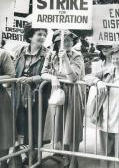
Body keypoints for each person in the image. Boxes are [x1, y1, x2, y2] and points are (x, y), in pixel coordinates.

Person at [41, 30, 85, 168]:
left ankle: (73, 160)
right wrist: (53, 77)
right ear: (56, 42)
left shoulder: (77, 56)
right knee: (59, 126)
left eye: (69, 40)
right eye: (64, 40)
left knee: (71, 127)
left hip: (72, 94)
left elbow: (73, 78)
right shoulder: (51, 54)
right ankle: (64, 157)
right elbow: (43, 73)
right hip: (57, 93)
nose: (67, 42)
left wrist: (65, 60)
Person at [11, 23, 48, 164]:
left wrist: (31, 79)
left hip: (38, 96)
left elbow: (48, 74)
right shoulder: (20, 51)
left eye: (44, 34)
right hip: (19, 95)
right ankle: (19, 157)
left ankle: (34, 159)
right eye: (39, 34)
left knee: (35, 128)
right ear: (30, 35)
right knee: (19, 126)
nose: (42, 37)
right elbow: (13, 69)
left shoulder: (47, 54)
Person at [0, 44, 15, 168]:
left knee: (3, 132)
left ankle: (3, 163)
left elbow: (11, 75)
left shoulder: (2, 54)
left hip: (0, 99)